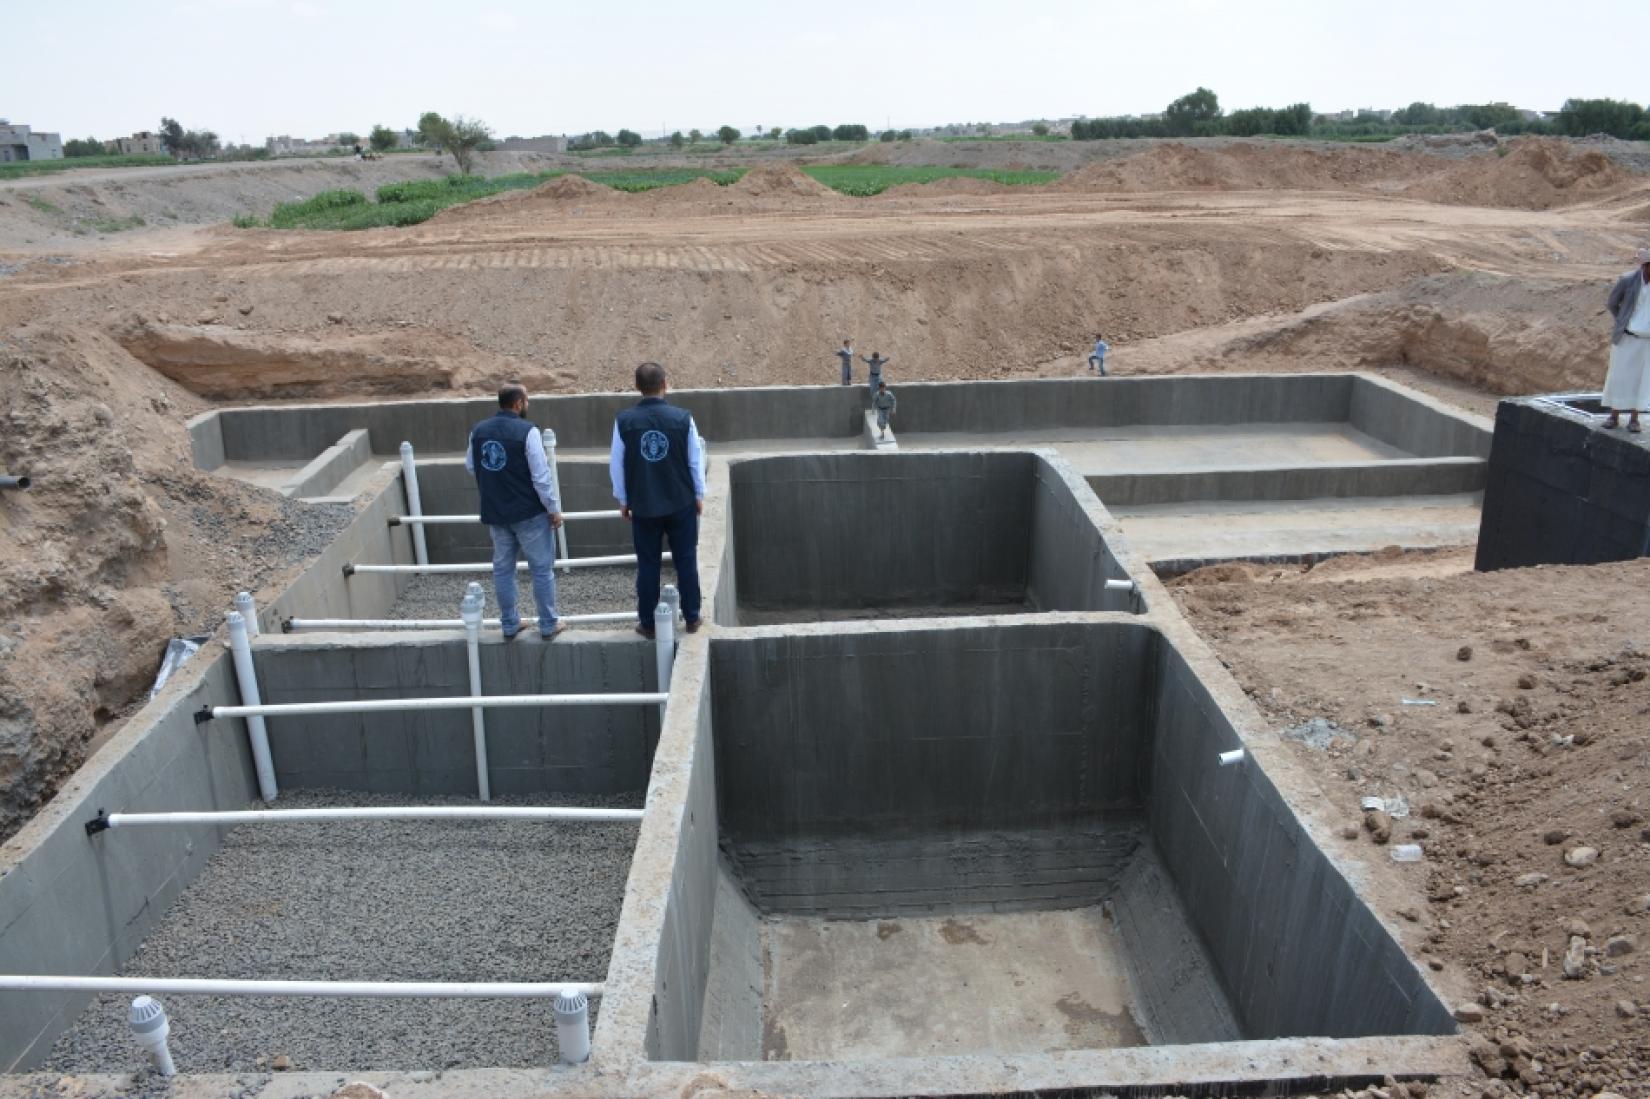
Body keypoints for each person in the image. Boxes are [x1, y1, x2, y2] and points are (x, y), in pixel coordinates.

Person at [610, 362, 706, 637]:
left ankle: (648, 623)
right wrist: (698, 494)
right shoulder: (683, 418)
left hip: (644, 504)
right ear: (665, 383)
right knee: (686, 560)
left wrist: (623, 499)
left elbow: (617, 464)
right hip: (680, 501)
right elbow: (694, 461)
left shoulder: (624, 421)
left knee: (648, 564)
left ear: (637, 387)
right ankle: (692, 617)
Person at [465, 384, 564, 640]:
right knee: (541, 569)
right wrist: (553, 508)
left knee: (503, 569)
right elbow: (541, 477)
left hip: (496, 513)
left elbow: (471, 465)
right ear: (519, 403)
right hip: (529, 513)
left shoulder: (478, 431)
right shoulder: (528, 432)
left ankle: (509, 623)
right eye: (527, 400)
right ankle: (547, 624)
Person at [1604, 247, 1650, 433]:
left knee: (1641, 380)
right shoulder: (1627, 280)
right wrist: (1622, 321)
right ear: (1646, 266)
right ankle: (1613, 416)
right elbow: (1612, 303)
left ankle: (1634, 419)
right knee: (1618, 377)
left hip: (1647, 341)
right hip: (1627, 338)